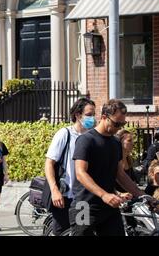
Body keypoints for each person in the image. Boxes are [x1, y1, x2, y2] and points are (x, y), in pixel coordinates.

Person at [69, 99, 146, 236]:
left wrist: (141, 195)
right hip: (85, 206)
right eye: (117, 123)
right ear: (104, 117)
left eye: (122, 123)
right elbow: (80, 173)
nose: (119, 127)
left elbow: (120, 174)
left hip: (109, 206)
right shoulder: (86, 140)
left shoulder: (116, 142)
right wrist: (104, 195)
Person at [44, 97, 96, 235]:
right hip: (64, 196)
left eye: (93, 114)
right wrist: (54, 190)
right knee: (62, 232)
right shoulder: (65, 134)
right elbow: (49, 163)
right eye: (89, 115)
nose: (93, 118)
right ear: (78, 115)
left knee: (82, 231)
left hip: (83, 198)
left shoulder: (92, 136)